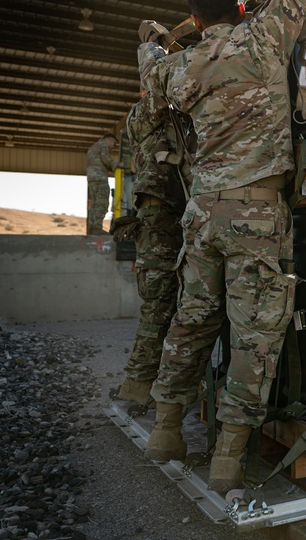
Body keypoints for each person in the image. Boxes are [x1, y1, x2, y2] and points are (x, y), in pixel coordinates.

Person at [138, 0, 306, 494]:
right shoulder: (264, 36)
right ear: (242, 7)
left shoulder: (182, 66)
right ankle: (227, 459)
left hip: (203, 215)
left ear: (199, 18)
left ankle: (166, 431)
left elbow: (151, 74)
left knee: (191, 321)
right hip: (256, 213)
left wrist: (152, 42)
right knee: (255, 334)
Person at [112, 80, 194, 410]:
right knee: (158, 307)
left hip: (187, 216)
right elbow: (165, 91)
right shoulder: (141, 116)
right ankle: (138, 386)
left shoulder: (182, 123)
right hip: (159, 221)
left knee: (188, 309)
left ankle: (170, 385)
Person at [86, 133, 118, 235]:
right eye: (113, 143)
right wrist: (116, 165)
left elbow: (97, 162)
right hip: (100, 178)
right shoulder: (104, 145)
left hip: (92, 178)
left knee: (95, 204)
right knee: (102, 203)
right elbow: (106, 159)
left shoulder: (93, 147)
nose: (112, 146)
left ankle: (92, 228)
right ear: (110, 140)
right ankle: (97, 228)